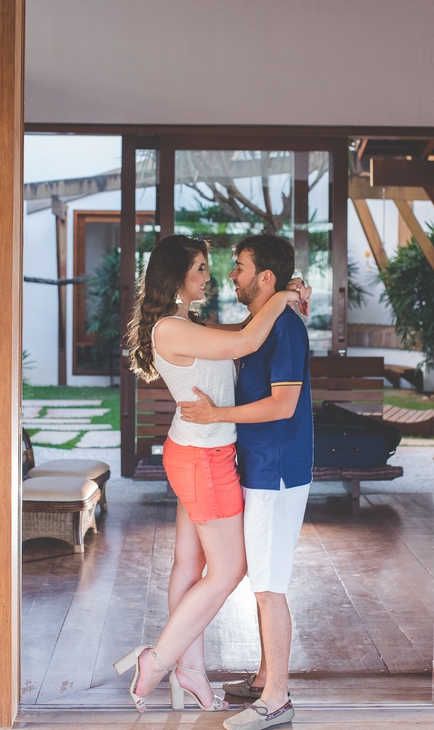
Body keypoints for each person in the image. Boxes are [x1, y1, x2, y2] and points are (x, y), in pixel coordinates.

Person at [114, 234, 307, 714]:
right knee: (229, 570)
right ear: (178, 276)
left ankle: (191, 669)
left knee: (189, 566)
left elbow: (246, 330)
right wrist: (283, 294)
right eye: (201, 267)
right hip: (204, 458)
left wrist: (282, 292)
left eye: (222, 266)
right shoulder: (172, 330)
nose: (212, 275)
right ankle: (157, 660)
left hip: (197, 453)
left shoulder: (184, 323)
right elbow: (245, 339)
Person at [179, 234, 312, 730]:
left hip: (277, 475)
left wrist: (217, 413)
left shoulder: (286, 330)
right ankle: (264, 678)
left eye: (238, 267)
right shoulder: (264, 322)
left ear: (265, 278)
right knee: (262, 581)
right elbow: (230, 335)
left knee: (270, 587)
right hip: (262, 470)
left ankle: (276, 700)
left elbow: (284, 405)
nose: (231, 275)